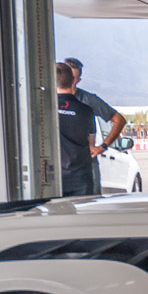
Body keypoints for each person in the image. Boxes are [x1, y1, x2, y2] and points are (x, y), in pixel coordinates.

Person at [63, 57, 127, 156]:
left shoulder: (88, 100)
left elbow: (119, 120)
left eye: (73, 77)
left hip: (83, 160)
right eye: (66, 75)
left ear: (78, 80)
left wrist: (103, 147)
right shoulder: (51, 99)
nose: (68, 80)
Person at [55, 62, 102, 198]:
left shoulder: (46, 109)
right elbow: (91, 142)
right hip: (81, 177)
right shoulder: (86, 111)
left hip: (55, 177)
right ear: (73, 81)